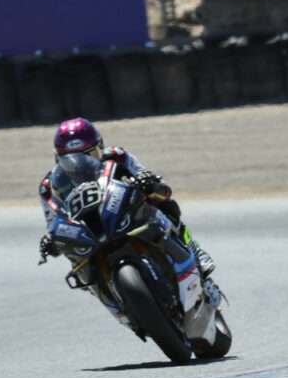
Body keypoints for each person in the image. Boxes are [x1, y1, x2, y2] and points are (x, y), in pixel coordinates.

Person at [38, 117, 215, 275]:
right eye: (71, 160)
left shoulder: (118, 156)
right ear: (58, 159)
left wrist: (148, 182)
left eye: (90, 155)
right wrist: (51, 241)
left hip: (123, 211)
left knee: (164, 203)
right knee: (72, 257)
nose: (80, 165)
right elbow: (53, 223)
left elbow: (153, 180)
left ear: (100, 147)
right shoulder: (48, 187)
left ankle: (195, 252)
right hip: (87, 231)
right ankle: (106, 294)